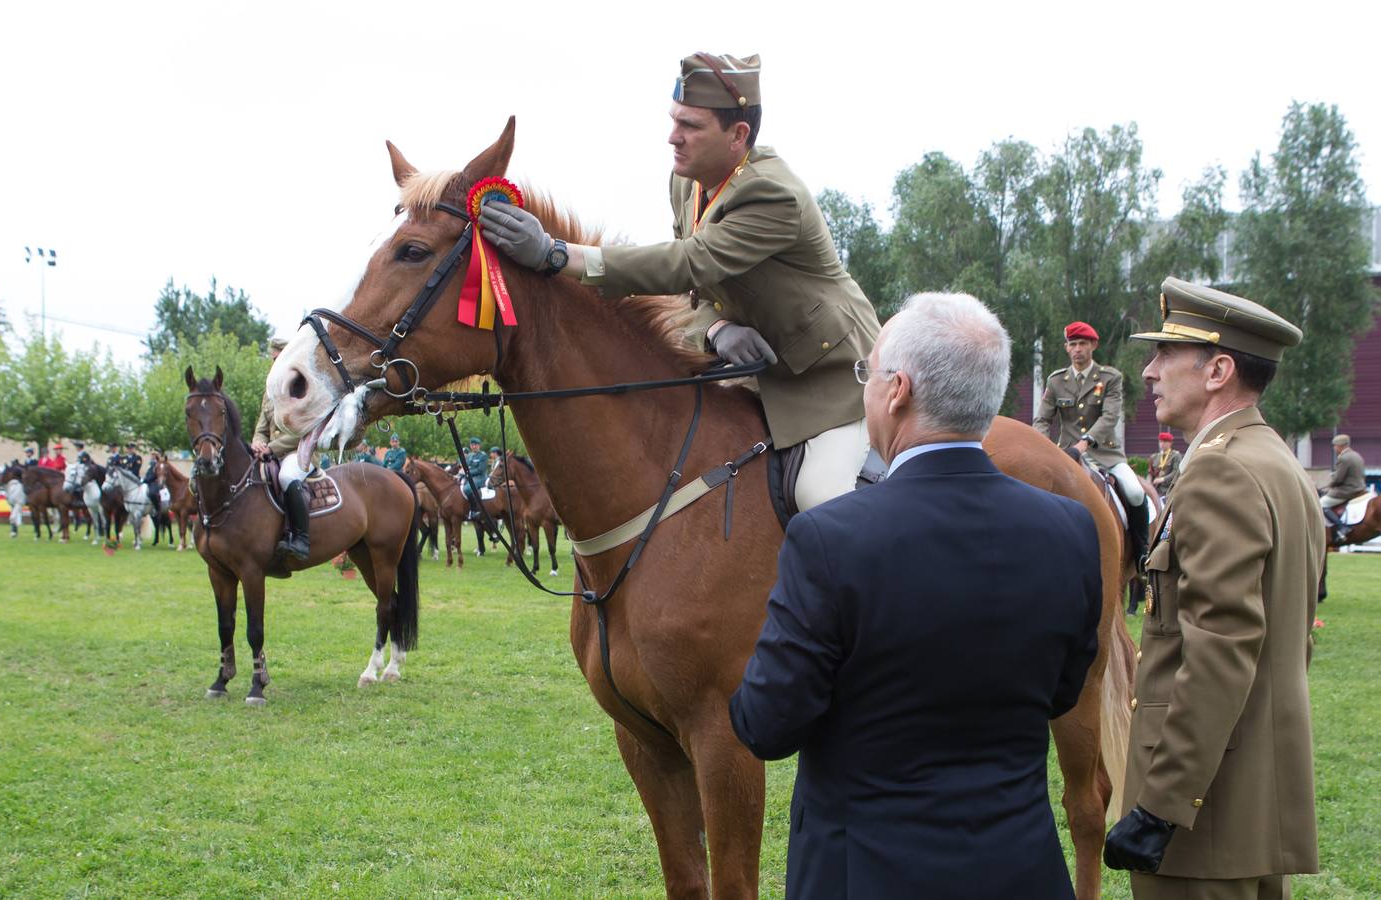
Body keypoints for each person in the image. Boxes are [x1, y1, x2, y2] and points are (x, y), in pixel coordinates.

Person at [729, 293, 1102, 898]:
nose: (865, 389)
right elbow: (1062, 691)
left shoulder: (829, 539)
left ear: (897, 389)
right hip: (1021, 869)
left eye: (866, 374)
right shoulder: (1069, 528)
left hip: (866, 874)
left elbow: (767, 726)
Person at [480, 52, 883, 511]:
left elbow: (688, 263)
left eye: (690, 125)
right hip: (754, 377)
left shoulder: (772, 194)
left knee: (821, 499)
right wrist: (715, 330)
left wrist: (557, 256)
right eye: (675, 120)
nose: (673, 136)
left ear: (738, 135)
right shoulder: (685, 182)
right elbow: (691, 294)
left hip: (829, 381)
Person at [1104, 276, 1325, 898]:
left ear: (1218, 369)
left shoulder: (1220, 470)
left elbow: (1220, 650)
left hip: (1201, 822)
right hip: (1248, 799)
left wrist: (1159, 807)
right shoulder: (1274, 459)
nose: (1148, 371)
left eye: (1165, 354)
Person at [1034, 321, 1150, 562]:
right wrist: (1041, 447)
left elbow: (1110, 416)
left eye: (1082, 344)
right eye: (1072, 344)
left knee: (1135, 492)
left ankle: (1141, 553)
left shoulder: (1110, 378)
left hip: (1105, 454)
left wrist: (1085, 442)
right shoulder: (1056, 381)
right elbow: (1043, 419)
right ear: (1066, 348)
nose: (1077, 349)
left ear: (1093, 345)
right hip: (1065, 454)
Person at [252, 335, 312, 560]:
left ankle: (301, 539)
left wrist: (271, 448)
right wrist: (258, 442)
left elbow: (303, 432)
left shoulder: (302, 390)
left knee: (287, 477)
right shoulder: (269, 394)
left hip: (298, 453)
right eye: (272, 359)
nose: (273, 364)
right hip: (270, 454)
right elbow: (261, 427)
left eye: (278, 359)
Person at [1320, 433, 1366, 543]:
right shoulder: (1356, 455)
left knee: (1320, 503)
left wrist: (1329, 485)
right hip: (1360, 489)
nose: (1334, 448)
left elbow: (1338, 479)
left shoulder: (1344, 458)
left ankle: (1342, 527)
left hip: (1347, 491)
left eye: (1335, 446)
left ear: (1340, 446)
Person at [461, 437, 488, 519]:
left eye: (475, 445)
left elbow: (480, 470)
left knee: (467, 489)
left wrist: (467, 473)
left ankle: (474, 510)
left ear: (479, 446)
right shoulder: (469, 456)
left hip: (480, 478)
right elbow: (466, 467)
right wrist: (461, 474)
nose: (474, 446)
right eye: (472, 445)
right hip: (469, 477)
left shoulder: (483, 456)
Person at [1148, 432, 1180, 499]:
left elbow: (1176, 472)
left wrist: (1163, 479)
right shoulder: (1154, 457)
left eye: (1165, 442)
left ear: (1170, 443)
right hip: (1156, 490)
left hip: (1169, 489)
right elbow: (1150, 473)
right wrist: (1148, 485)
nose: (1162, 444)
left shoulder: (1175, 456)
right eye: (1160, 441)